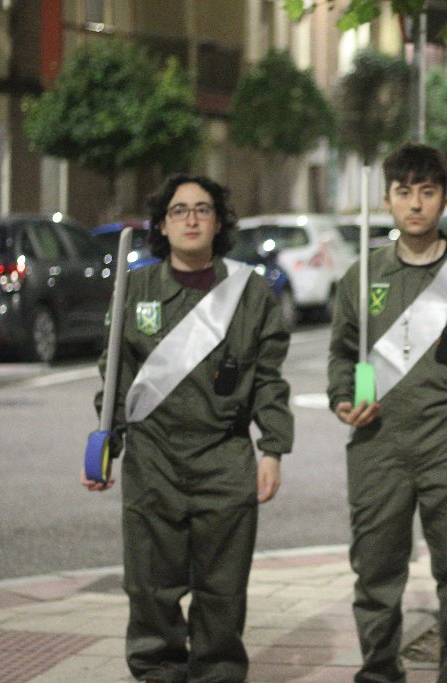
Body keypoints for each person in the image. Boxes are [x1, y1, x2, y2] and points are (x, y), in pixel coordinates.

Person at [83, 174, 294, 682]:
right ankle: (157, 671)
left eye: (203, 209)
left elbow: (269, 379)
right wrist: (106, 445)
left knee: (223, 589)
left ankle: (217, 673)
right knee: (149, 586)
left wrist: (272, 449)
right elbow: (116, 375)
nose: (192, 219)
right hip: (152, 458)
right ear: (162, 225)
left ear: (219, 223)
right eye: (179, 211)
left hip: (224, 457)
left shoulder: (250, 293)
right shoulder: (136, 289)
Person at [327, 143, 447, 683]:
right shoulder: (362, 275)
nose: (415, 204)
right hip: (377, 442)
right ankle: (379, 671)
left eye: (427, 192)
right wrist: (343, 396)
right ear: (387, 200)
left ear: (443, 200)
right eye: (404, 192)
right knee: (375, 573)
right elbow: (342, 353)